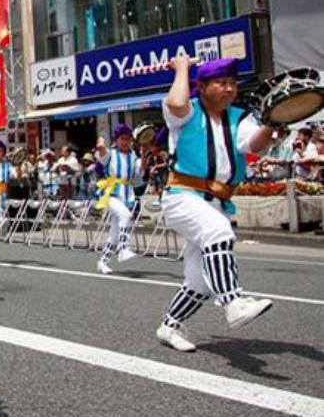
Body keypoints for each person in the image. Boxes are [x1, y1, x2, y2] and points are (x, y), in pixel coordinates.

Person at [156, 57, 276, 352]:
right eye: (221, 83)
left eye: (233, 83)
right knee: (219, 232)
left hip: (218, 201)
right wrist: (182, 67)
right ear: (202, 87)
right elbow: (175, 102)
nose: (229, 89)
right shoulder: (187, 111)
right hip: (182, 196)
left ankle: (169, 326)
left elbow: (254, 146)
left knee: (199, 281)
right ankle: (233, 302)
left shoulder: (241, 117)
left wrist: (273, 121)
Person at [94, 127, 141, 274]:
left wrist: (145, 154)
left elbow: (139, 172)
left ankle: (102, 262)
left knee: (114, 233)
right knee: (126, 216)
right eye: (122, 139)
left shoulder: (133, 157)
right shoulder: (111, 154)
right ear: (117, 140)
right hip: (110, 192)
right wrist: (101, 144)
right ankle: (124, 248)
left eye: (128, 139)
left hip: (126, 194)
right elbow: (101, 152)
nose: (125, 142)